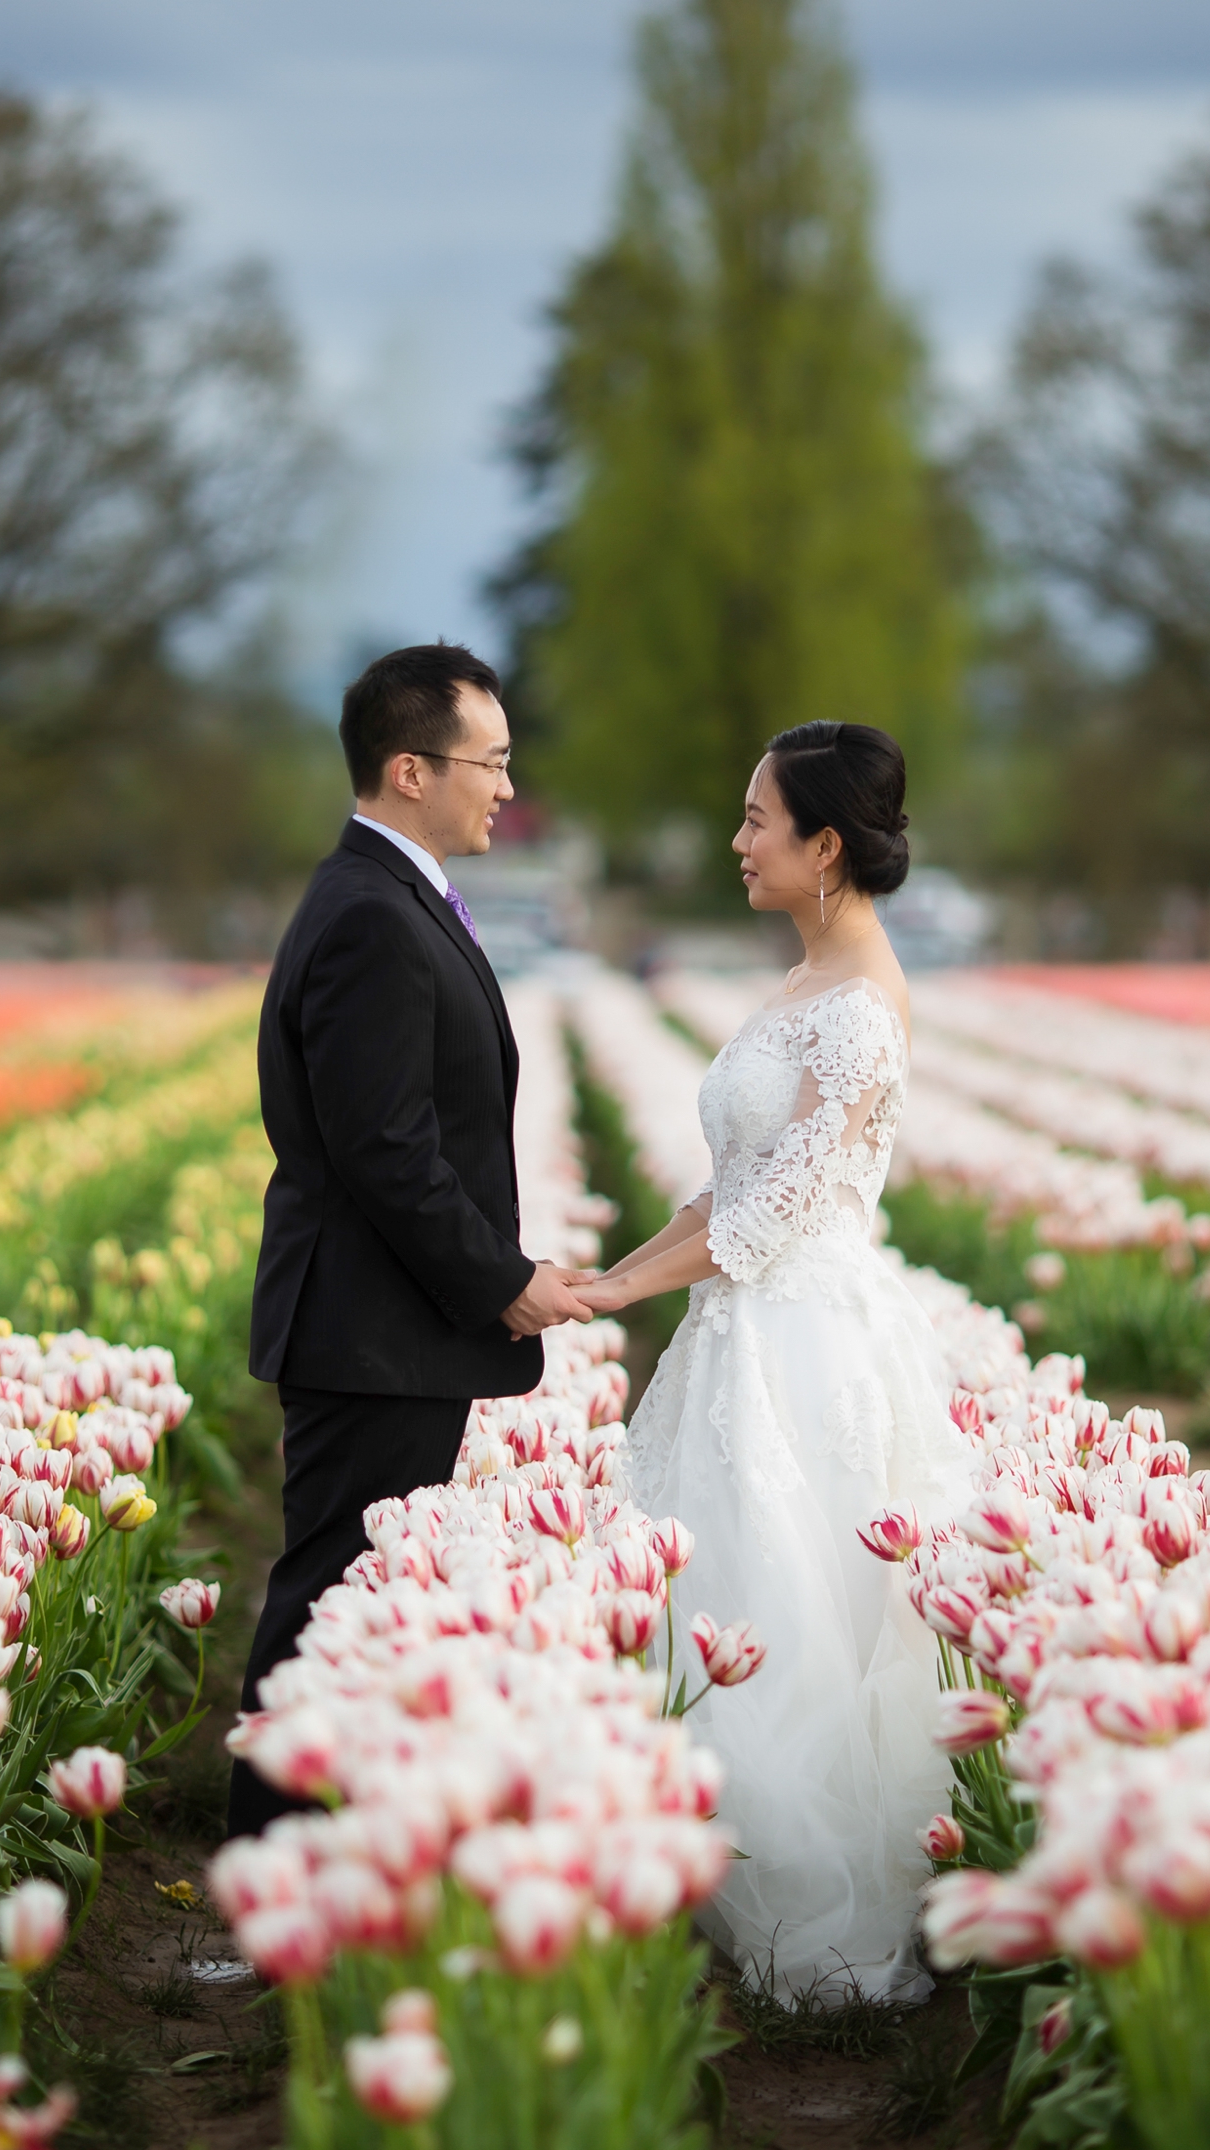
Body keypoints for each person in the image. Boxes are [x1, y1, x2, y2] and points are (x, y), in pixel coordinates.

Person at [579, 722, 971, 2003]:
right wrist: (608, 1278)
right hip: (741, 1327)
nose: (735, 840)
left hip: (804, 1341)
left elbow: (769, 1217)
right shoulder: (807, 978)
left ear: (824, 844)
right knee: (719, 1591)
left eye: (756, 820)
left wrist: (617, 1289)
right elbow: (721, 1191)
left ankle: (815, 1924)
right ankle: (694, 1875)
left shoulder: (859, 1009)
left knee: (789, 1608)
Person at [229, 642, 595, 1838]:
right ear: (406, 769)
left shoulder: (390, 897)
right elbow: (384, 1146)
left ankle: (329, 1863)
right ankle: (260, 1893)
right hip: (369, 1332)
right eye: (487, 762)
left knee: (355, 1601)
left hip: (386, 1330)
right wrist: (503, 1283)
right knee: (327, 1609)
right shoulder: (371, 919)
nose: (504, 785)